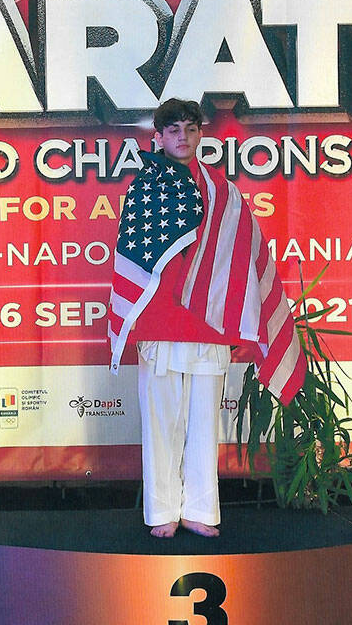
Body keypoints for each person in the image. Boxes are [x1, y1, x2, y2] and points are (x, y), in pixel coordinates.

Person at [108, 98, 303, 538]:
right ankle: (162, 512)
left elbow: (241, 256)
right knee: (162, 421)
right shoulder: (144, 187)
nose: (183, 137)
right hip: (161, 320)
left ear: (201, 135)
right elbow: (133, 260)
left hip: (210, 322)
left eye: (191, 129)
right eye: (173, 130)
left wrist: (236, 315)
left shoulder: (222, 191)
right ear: (157, 137)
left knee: (203, 421)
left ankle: (200, 509)